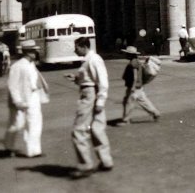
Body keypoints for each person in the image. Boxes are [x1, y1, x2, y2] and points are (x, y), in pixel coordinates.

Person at [66, 37, 113, 179]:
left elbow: (102, 81)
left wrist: (100, 101)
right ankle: (106, 161)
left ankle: (85, 165)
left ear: (83, 46)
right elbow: (89, 79)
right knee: (97, 129)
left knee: (79, 130)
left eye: (76, 47)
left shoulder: (94, 59)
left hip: (89, 96)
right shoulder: (88, 60)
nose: (75, 50)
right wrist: (76, 78)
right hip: (91, 93)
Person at [5, 40, 48, 158]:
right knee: (17, 124)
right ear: (28, 52)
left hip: (34, 96)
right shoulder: (17, 66)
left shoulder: (32, 65)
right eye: (34, 51)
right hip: (21, 98)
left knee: (35, 123)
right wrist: (17, 100)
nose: (36, 53)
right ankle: (9, 146)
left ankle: (33, 150)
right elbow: (12, 85)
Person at [117, 46, 160, 125]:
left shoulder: (133, 63)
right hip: (139, 87)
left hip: (134, 87)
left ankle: (126, 120)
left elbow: (135, 76)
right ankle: (155, 113)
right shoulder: (137, 61)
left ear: (130, 55)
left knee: (128, 102)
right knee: (144, 101)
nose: (125, 55)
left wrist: (133, 87)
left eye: (127, 54)